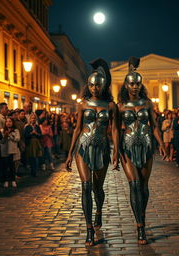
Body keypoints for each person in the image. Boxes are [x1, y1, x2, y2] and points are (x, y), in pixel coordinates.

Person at [66, 59, 119, 246]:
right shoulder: (82, 104)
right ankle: (89, 229)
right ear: (88, 86)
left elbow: (114, 130)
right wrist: (69, 153)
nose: (94, 88)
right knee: (86, 186)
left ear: (103, 85)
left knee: (98, 189)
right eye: (91, 85)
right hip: (83, 148)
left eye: (97, 85)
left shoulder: (111, 106)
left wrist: (116, 152)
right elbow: (77, 129)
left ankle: (98, 212)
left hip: (102, 149)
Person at [117, 57, 167, 245]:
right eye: (132, 83)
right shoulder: (120, 106)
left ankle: (142, 216)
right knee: (135, 184)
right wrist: (115, 152)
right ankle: (140, 227)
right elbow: (114, 129)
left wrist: (161, 145)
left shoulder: (147, 103)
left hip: (146, 146)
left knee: (144, 188)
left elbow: (154, 126)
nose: (135, 86)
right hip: (127, 147)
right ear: (126, 85)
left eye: (138, 83)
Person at [0, 117, 20, 188]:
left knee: (12, 166)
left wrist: (10, 135)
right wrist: (5, 136)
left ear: (12, 123)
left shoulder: (16, 130)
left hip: (12, 150)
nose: (8, 123)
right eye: (7, 122)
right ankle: (6, 180)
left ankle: (13, 180)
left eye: (10, 121)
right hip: (4, 150)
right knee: (5, 166)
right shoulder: (2, 130)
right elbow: (1, 141)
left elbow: (17, 139)